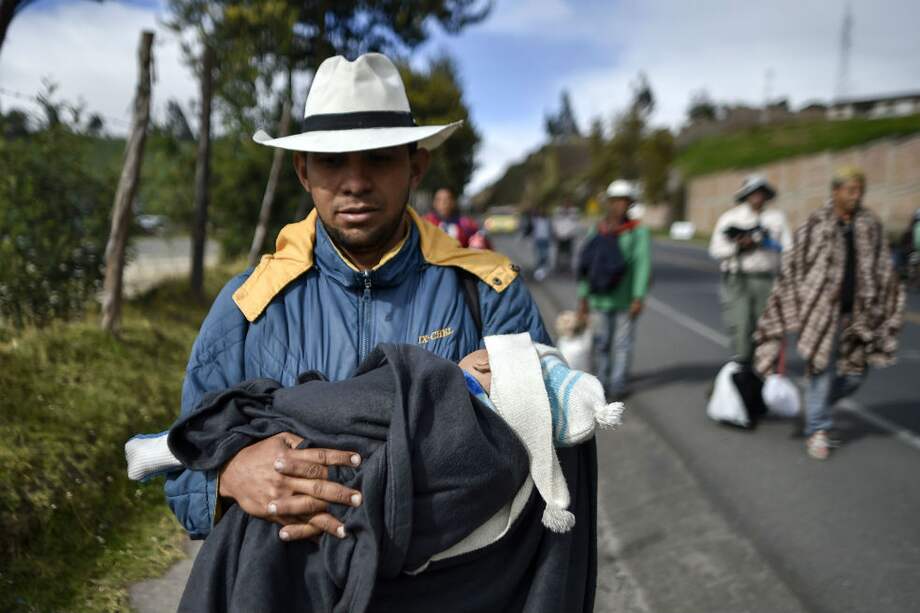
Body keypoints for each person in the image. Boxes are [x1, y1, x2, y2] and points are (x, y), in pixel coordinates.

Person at [153, 53, 597, 610]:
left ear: (416, 167)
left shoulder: (488, 293)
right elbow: (185, 462)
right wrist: (228, 477)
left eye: (380, 159)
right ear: (303, 172)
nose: (356, 183)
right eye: (332, 162)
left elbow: (545, 455)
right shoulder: (249, 307)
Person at [754, 167, 905, 460]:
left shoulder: (870, 224)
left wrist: (887, 302)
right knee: (821, 369)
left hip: (859, 313)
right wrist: (790, 301)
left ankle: (816, 406)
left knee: (856, 374)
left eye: (860, 190)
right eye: (851, 190)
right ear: (835, 191)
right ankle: (817, 429)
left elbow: (883, 267)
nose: (856, 196)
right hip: (823, 313)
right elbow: (795, 265)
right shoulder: (817, 224)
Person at [576, 179, 651, 398]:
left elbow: (642, 265)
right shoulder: (597, 229)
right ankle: (602, 381)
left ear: (630, 204)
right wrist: (583, 297)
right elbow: (587, 265)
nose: (620, 205)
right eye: (616, 201)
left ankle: (618, 384)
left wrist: (638, 297)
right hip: (600, 297)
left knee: (622, 344)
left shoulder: (638, 232)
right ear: (609, 203)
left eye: (624, 201)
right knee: (602, 343)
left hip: (626, 298)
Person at [708, 175, 792, 367]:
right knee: (741, 325)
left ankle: (764, 369)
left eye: (760, 192)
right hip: (738, 278)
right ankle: (742, 366)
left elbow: (788, 250)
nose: (757, 196)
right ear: (746, 195)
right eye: (753, 192)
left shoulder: (776, 218)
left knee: (768, 328)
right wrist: (740, 246)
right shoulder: (731, 218)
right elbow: (715, 250)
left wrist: (786, 279)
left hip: (766, 278)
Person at [424, 187, 491, 249]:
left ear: (453, 202)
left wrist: (479, 243)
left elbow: (481, 240)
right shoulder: (426, 222)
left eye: (447, 199)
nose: (443, 203)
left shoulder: (465, 223)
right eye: (439, 199)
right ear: (434, 203)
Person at [552, 199, 581, 273]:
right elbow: (555, 223)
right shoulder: (558, 212)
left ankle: (568, 268)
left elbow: (576, 224)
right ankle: (558, 267)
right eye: (565, 204)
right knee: (559, 254)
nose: (566, 206)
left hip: (569, 237)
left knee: (569, 253)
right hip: (560, 236)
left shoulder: (574, 213)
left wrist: (573, 233)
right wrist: (556, 233)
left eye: (568, 204)